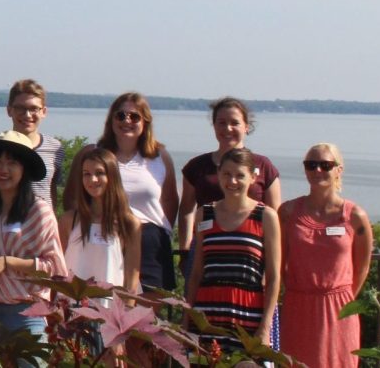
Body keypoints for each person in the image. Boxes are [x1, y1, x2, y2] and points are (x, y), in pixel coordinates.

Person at [279, 144, 371, 367]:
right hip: (298, 306)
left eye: (325, 165)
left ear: (339, 170)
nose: (317, 170)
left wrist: (340, 296)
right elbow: (279, 262)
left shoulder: (355, 216)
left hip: (339, 308)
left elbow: (362, 267)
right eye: (311, 165)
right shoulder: (288, 212)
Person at [0, 131, 69, 342]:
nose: (3, 169)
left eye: (12, 163)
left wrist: (10, 262)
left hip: (27, 311)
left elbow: (55, 268)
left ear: (24, 169)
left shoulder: (39, 211)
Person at [186, 148, 282, 354]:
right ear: (219, 174)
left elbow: (273, 278)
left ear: (253, 178)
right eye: (227, 174)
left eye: (240, 175)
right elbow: (196, 273)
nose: (233, 181)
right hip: (207, 315)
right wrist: (187, 319)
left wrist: (265, 327)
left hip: (248, 315)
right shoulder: (204, 214)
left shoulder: (266, 216)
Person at [94, 92, 180, 292]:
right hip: (107, 238)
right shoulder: (96, 154)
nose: (127, 121)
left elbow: (169, 200)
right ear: (111, 120)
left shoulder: (160, 157)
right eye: (120, 115)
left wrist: (157, 231)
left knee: (146, 314)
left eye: (134, 116)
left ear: (145, 122)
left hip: (150, 243)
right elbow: (76, 198)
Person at [180, 97, 282, 261]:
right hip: (204, 248)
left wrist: (272, 255)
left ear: (246, 127)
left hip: (250, 248)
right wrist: (185, 249)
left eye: (234, 123)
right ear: (214, 126)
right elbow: (186, 210)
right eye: (221, 122)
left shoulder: (263, 165)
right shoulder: (197, 166)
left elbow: (276, 214)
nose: (228, 128)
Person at [57, 147, 141, 308]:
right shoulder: (69, 220)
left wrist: (127, 312)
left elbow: (132, 274)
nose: (92, 179)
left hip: (109, 310)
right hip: (70, 309)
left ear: (112, 175)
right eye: (86, 174)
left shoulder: (129, 223)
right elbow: (58, 268)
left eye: (99, 173)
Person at [0, 80, 65, 211]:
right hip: (1, 225)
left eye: (34, 108)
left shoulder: (55, 148)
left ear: (44, 112)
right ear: (9, 110)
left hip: (40, 225)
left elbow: (51, 188)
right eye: (20, 108)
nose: (27, 115)